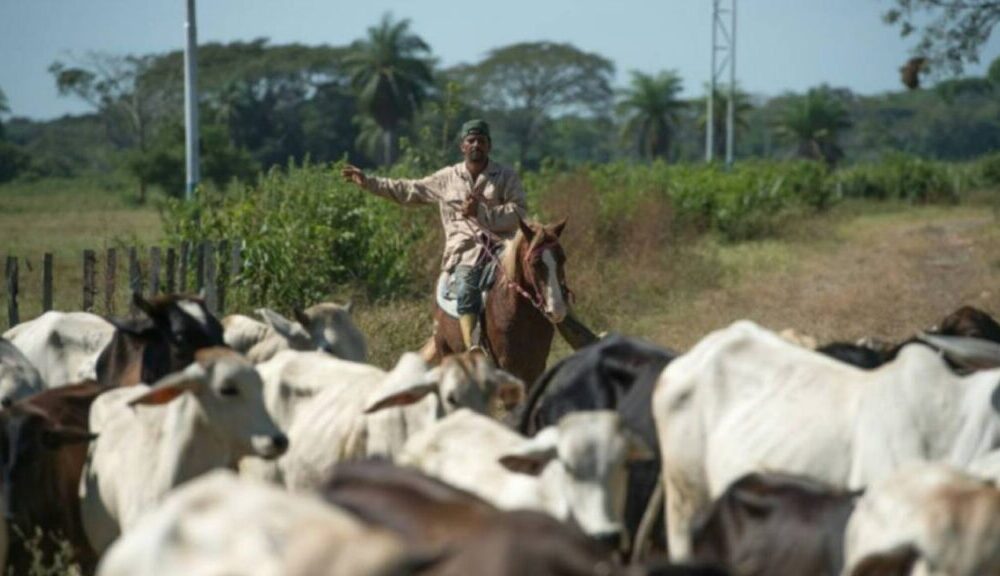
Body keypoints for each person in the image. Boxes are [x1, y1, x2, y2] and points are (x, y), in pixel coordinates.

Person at [340, 119, 526, 352]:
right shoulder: (446, 178)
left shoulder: (506, 176)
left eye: (481, 140)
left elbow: (518, 212)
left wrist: (482, 213)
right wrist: (369, 182)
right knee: (467, 287)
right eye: (471, 140)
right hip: (466, 252)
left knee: (539, 270)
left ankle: (569, 327)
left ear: (489, 146)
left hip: (503, 246)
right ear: (463, 146)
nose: (476, 144)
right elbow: (408, 190)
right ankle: (473, 347)